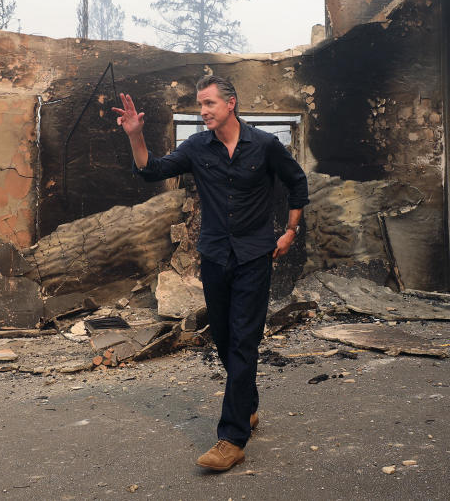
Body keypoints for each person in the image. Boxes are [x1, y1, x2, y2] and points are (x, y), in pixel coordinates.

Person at [112, 74, 309, 471]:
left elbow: (297, 182)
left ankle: (231, 438)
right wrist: (135, 135)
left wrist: (290, 230)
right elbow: (152, 170)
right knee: (222, 338)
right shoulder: (197, 147)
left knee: (243, 341)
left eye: (208, 104)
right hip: (216, 255)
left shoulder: (266, 145)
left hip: (255, 255)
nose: (202, 112)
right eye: (200, 105)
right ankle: (248, 404)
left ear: (231, 103)